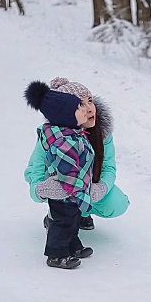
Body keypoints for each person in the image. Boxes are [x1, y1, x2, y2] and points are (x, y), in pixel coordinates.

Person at [24, 77, 129, 232]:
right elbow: (34, 170)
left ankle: (82, 212)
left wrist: (100, 188)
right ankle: (56, 214)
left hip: (87, 185)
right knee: (63, 186)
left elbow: (109, 168)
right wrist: (40, 190)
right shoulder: (51, 136)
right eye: (81, 105)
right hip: (62, 185)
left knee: (118, 203)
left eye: (90, 101)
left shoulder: (102, 133)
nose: (90, 109)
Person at [24, 79, 96, 269]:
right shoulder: (65, 142)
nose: (85, 110)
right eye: (79, 107)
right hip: (65, 191)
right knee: (62, 223)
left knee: (72, 221)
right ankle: (56, 254)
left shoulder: (72, 134)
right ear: (66, 116)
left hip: (71, 191)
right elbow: (69, 173)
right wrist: (80, 194)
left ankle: (73, 245)